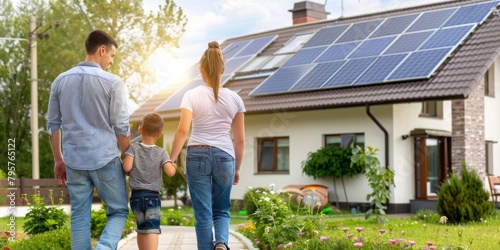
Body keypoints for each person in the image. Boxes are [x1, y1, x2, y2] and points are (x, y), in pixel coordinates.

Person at [46, 29, 130, 250]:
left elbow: (53, 126)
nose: (111, 61)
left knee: (79, 216)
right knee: (119, 211)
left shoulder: (60, 81)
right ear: (101, 50)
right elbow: (121, 128)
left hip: (74, 162)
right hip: (106, 159)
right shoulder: (114, 83)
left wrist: (59, 160)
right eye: (111, 56)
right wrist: (129, 156)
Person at [169, 41, 246, 250]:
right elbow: (240, 140)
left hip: (197, 155)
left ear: (201, 70)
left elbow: (182, 131)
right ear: (223, 69)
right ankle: (221, 243)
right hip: (225, 157)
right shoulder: (236, 99)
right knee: (221, 209)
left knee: (203, 213)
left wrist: (172, 159)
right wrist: (237, 168)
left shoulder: (191, 95)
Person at [122, 112, 177, 250]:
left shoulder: (133, 148)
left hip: (136, 197)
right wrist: (173, 166)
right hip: (152, 196)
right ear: (160, 134)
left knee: (141, 228)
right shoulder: (161, 152)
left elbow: (126, 167)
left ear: (140, 129)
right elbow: (170, 172)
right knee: (152, 228)